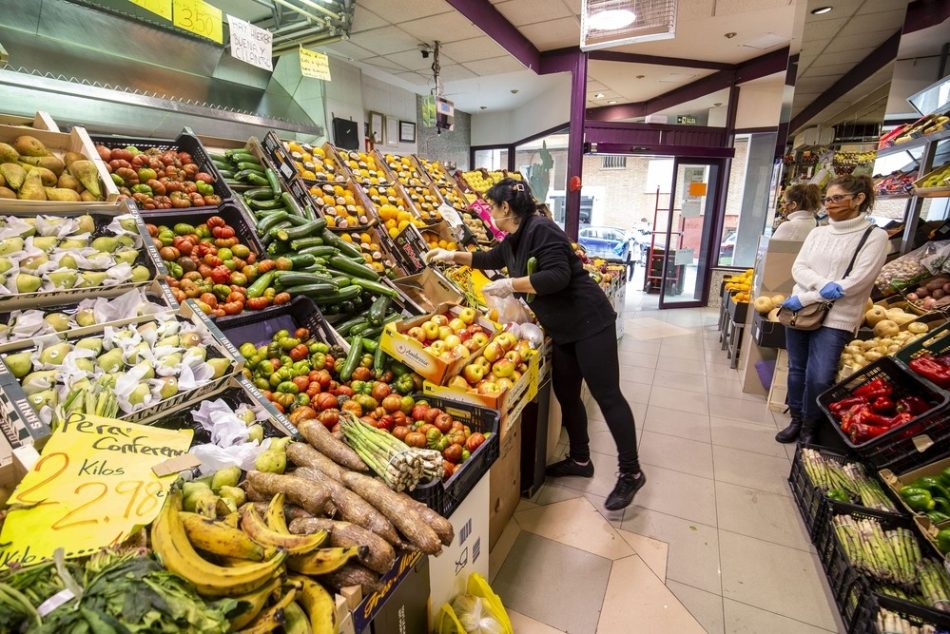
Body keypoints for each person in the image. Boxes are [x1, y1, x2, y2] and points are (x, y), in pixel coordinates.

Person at [426, 179, 645, 510]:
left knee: (608, 395)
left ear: (506, 208)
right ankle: (581, 459)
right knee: (566, 392)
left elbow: (558, 276)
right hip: (564, 328)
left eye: (492, 208)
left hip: (590, 322)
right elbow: (487, 258)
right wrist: (449, 255)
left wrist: (511, 284)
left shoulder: (541, 230)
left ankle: (631, 473)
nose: (489, 214)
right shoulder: (514, 238)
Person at [775, 175, 888, 444]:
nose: (830, 204)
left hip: (837, 316)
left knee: (820, 375)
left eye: (837, 198)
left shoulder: (875, 237)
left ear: (859, 199)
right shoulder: (817, 231)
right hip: (801, 314)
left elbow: (858, 282)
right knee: (797, 370)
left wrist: (806, 298)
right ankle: (797, 419)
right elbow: (799, 268)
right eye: (828, 199)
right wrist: (824, 287)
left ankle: (810, 427)